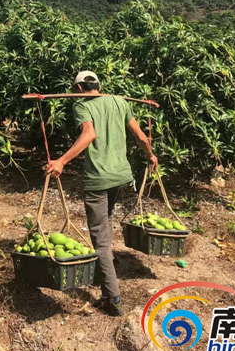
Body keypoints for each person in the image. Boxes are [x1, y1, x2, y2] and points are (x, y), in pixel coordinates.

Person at [45, 71, 158, 316]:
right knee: (106, 220)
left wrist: (62, 161)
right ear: (98, 85)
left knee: (99, 237)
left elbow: (89, 134)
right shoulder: (119, 101)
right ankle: (105, 267)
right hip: (121, 176)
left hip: (99, 178)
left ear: (78, 88)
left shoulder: (81, 105)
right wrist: (150, 155)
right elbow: (140, 135)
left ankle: (112, 296)